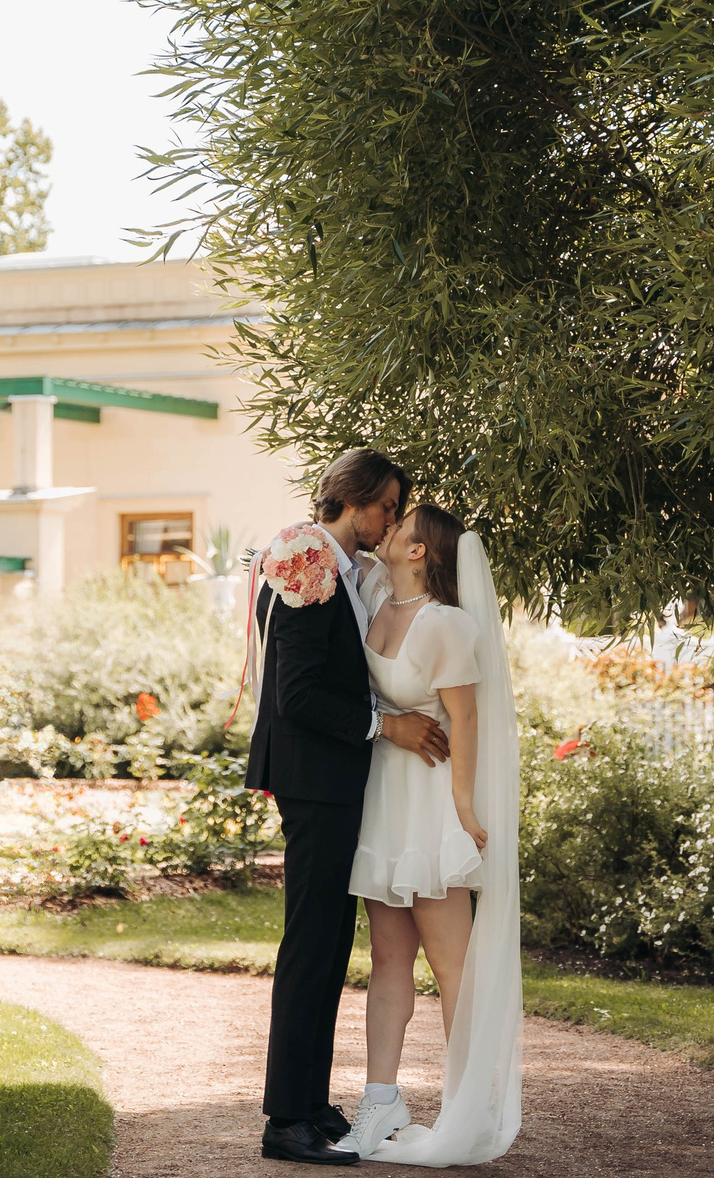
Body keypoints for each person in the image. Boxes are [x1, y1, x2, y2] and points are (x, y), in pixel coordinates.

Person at [250, 447, 453, 1166]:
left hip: (332, 781)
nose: (391, 521)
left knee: (332, 944)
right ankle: (284, 1119)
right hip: (315, 780)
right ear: (353, 496)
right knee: (311, 947)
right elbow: (296, 693)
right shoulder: (308, 555)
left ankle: (309, 1102)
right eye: (387, 507)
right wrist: (385, 725)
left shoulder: (340, 566)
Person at [336, 504, 523, 1166]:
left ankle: (468, 1108)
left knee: (453, 969)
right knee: (388, 960)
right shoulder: (374, 597)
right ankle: (380, 1097)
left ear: (420, 552)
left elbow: (468, 721)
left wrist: (466, 809)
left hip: (434, 798)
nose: (388, 528)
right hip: (385, 795)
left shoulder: (447, 625)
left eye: (401, 524)